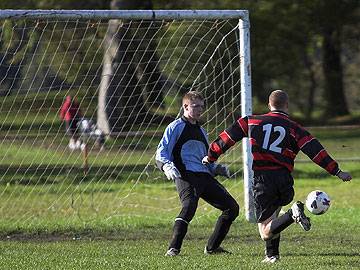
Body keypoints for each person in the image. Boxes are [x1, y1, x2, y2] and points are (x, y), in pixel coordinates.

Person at [203, 89, 352, 263]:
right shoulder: (295, 128)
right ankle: (272, 255)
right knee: (273, 217)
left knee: (265, 232)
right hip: (284, 180)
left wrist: (211, 156)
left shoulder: (251, 121)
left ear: (269, 105)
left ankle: (292, 214)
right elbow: (315, 151)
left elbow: (227, 137)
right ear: (287, 106)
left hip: (264, 179)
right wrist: (337, 171)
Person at [156, 91, 239, 256]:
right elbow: (161, 152)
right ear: (185, 107)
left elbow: (204, 158)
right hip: (186, 175)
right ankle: (173, 248)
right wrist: (166, 166)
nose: (200, 110)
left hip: (204, 176)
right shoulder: (175, 127)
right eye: (196, 106)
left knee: (232, 208)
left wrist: (216, 168)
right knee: (189, 207)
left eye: (202, 106)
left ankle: (212, 248)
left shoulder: (201, 131)